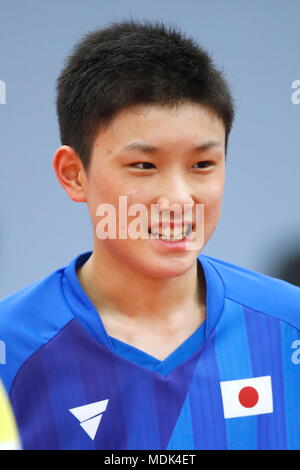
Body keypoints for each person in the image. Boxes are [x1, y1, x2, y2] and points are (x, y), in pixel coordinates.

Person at [0, 18, 299, 451]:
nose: (178, 199)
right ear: (73, 174)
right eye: (144, 166)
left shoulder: (289, 330)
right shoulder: (12, 345)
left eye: (202, 165)